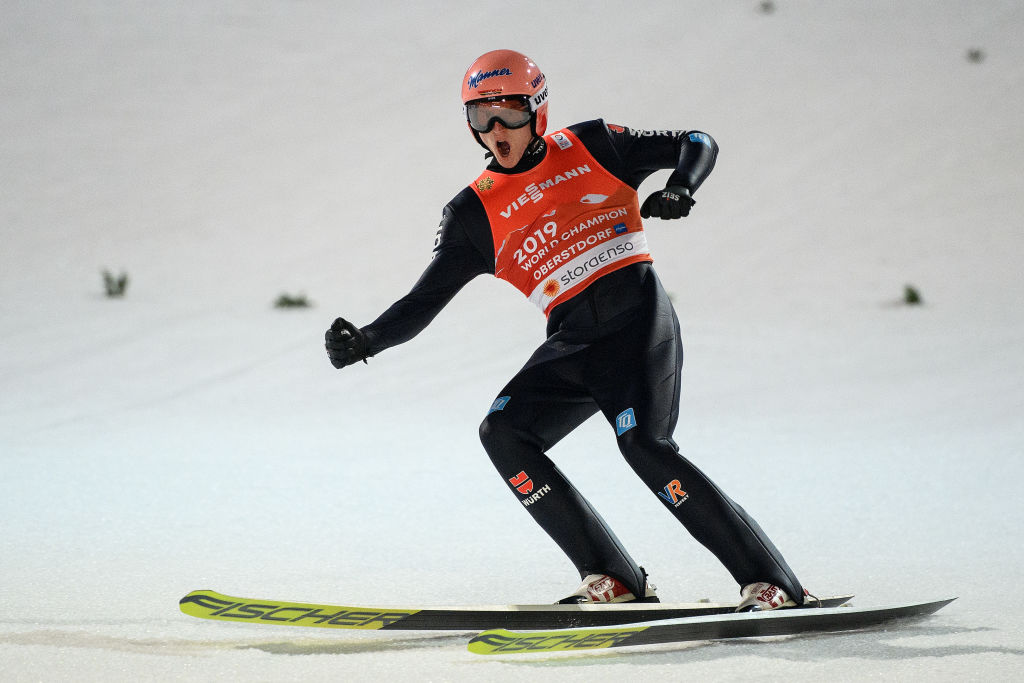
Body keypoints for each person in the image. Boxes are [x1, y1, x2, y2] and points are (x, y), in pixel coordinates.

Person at [326, 49, 806, 611]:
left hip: (637, 322)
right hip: (575, 343)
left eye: (507, 112)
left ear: (539, 110)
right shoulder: (472, 213)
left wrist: (681, 186)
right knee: (503, 432)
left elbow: (697, 141)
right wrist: (367, 340)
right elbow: (422, 301)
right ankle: (613, 576)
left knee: (644, 447)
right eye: (480, 118)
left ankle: (772, 583)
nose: (496, 130)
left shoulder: (593, 145)